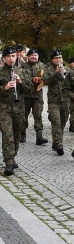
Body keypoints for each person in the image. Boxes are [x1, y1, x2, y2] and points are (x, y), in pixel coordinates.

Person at [0, 47, 32, 175]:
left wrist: (20, 82)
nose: (11, 59)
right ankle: (9, 162)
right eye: (8, 56)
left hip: (19, 108)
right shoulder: (0, 72)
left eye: (13, 56)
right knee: (7, 136)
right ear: (4, 58)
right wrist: (5, 87)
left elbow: (30, 90)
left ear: (16, 57)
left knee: (16, 134)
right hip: (4, 109)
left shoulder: (22, 71)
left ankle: (13, 156)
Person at [43, 50, 70, 155]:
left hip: (65, 100)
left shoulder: (66, 69)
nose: (58, 60)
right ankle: (59, 144)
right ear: (52, 59)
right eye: (56, 58)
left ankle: (56, 141)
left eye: (60, 57)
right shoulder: (47, 68)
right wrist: (56, 73)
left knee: (63, 122)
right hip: (53, 100)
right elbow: (45, 80)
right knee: (56, 122)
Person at [20, 49, 48, 145]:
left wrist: (42, 80)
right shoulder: (23, 66)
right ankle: (22, 134)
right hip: (25, 96)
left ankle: (39, 136)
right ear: (28, 57)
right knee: (23, 115)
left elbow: (47, 78)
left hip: (37, 96)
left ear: (38, 56)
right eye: (31, 55)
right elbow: (22, 79)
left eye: (35, 55)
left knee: (38, 116)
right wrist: (32, 80)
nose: (33, 57)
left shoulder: (42, 66)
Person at [67, 57, 74, 133]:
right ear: (70, 64)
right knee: (72, 111)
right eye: (73, 62)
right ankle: (72, 124)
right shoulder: (68, 71)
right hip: (69, 94)